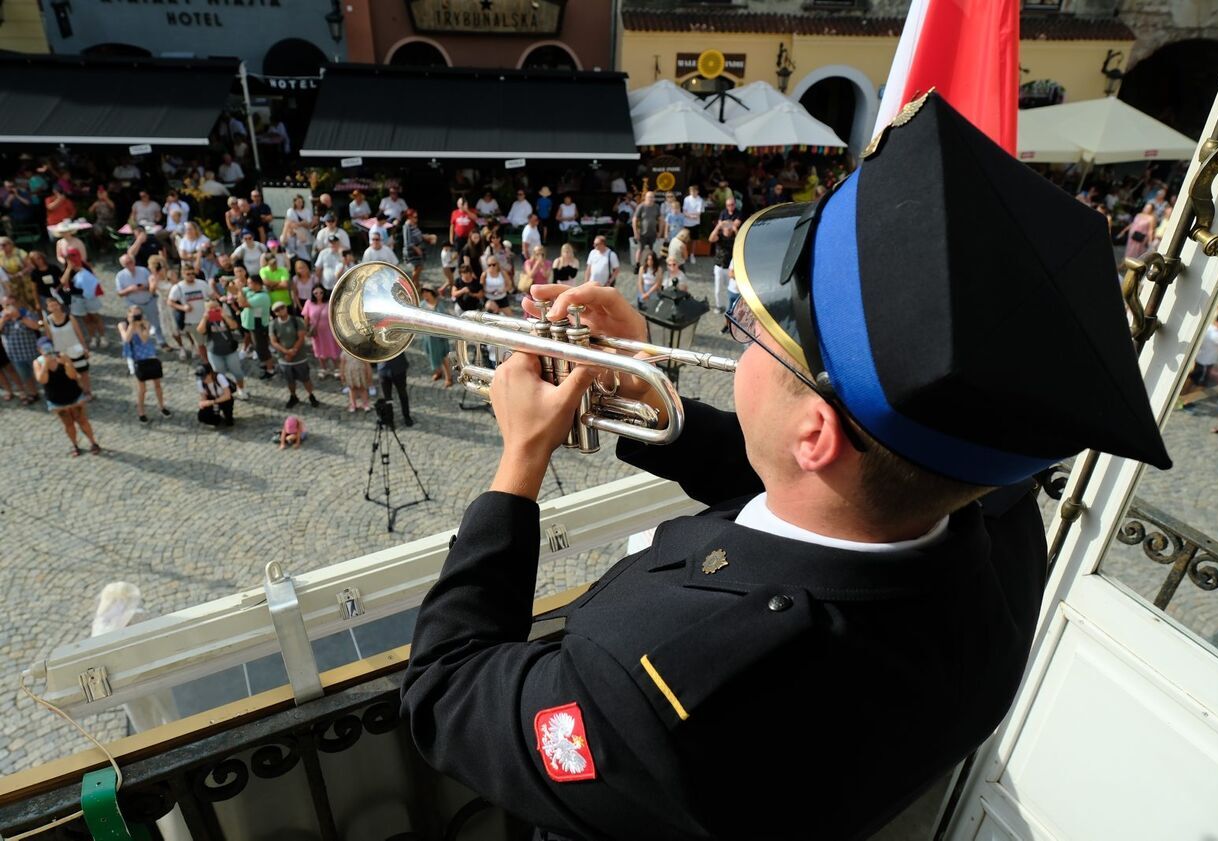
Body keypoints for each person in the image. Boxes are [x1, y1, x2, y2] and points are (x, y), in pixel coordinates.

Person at [396, 92, 1173, 841]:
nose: (738, 341)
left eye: (756, 332)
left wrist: (519, 464)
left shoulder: (654, 690)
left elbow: (443, 692)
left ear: (814, 433)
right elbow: (813, 490)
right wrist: (640, 391)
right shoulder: (998, 530)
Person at [34, 337, 100, 455]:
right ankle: (75, 445)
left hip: (74, 395)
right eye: (44, 348)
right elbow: (42, 380)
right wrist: (46, 364)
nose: (48, 350)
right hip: (56, 399)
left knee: (82, 420)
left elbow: (73, 376)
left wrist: (66, 363)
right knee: (68, 423)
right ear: (39, 350)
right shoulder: (38, 362)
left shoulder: (63, 357)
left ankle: (93, 443)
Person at [118, 304, 170, 422]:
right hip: (136, 358)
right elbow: (126, 339)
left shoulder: (145, 323)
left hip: (149, 355)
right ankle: (141, 411)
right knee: (142, 388)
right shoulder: (123, 325)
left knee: (157, 384)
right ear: (128, 314)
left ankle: (162, 406)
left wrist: (140, 326)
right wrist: (132, 325)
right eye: (133, 314)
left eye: (138, 314)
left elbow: (144, 339)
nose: (136, 316)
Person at [269, 301, 319, 408]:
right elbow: (274, 342)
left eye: (282, 307)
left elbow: (301, 337)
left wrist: (292, 352)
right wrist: (286, 352)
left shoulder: (296, 321)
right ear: (275, 313)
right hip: (284, 359)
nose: (281, 310)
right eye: (277, 310)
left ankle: (311, 395)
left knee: (306, 379)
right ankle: (293, 396)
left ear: (286, 308)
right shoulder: (273, 324)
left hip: (299, 357)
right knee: (289, 380)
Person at [198, 297, 249, 400]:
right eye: (210, 308)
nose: (214, 310)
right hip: (214, 352)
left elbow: (234, 326)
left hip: (230, 350)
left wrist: (224, 316)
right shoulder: (207, 320)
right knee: (220, 375)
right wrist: (204, 318)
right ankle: (225, 391)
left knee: (237, 372)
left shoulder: (225, 317)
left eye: (216, 307)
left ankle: (241, 388)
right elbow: (200, 331)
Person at [43, 296, 92, 400]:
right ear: (48, 308)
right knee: (69, 374)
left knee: (83, 372)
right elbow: (49, 338)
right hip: (61, 353)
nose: (54, 308)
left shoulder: (70, 318)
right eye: (51, 306)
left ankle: (87, 391)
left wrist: (85, 348)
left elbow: (79, 334)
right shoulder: (48, 321)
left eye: (55, 305)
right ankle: (77, 392)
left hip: (76, 349)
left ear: (59, 305)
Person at [0, 295, 42, 404]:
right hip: (16, 356)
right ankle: (34, 394)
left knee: (41, 374)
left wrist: (19, 317)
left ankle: (52, 392)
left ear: (17, 304)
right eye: (7, 305)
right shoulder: (2, 317)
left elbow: (36, 326)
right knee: (26, 377)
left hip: (32, 353)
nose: (10, 307)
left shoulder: (25, 313)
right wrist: (4, 320)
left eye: (12, 304)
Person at [62, 249, 107, 349]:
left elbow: (91, 279)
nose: (71, 259)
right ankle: (93, 337)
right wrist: (69, 269)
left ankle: (102, 337)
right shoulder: (66, 268)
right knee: (86, 320)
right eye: (68, 257)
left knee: (95, 317)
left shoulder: (85, 265)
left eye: (72, 256)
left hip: (89, 297)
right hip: (77, 298)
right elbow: (64, 282)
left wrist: (80, 269)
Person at [168, 264, 212, 365]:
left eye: (193, 273)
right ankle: (207, 362)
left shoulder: (202, 284)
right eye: (188, 274)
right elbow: (170, 302)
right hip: (192, 321)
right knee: (201, 344)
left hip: (207, 318)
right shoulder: (178, 288)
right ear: (183, 274)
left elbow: (212, 295)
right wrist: (182, 308)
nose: (191, 276)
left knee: (210, 341)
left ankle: (213, 359)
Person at [709, 196, 742, 313]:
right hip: (719, 265)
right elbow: (711, 239)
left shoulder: (734, 237)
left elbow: (740, 241)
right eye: (728, 205)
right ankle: (718, 306)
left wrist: (733, 228)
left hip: (729, 267)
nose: (727, 229)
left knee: (730, 289)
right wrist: (718, 226)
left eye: (732, 205)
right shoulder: (720, 236)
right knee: (718, 289)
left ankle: (730, 308)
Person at [416, 283, 452, 390]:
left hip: (439, 337)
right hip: (428, 337)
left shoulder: (439, 306)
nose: (425, 294)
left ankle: (448, 377)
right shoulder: (422, 305)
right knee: (431, 354)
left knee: (444, 357)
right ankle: (438, 371)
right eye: (423, 292)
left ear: (432, 293)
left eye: (427, 292)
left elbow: (444, 321)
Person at [240, 275, 275, 379]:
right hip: (253, 324)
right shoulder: (254, 291)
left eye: (250, 283)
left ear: (257, 284)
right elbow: (243, 290)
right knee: (258, 346)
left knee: (262, 347)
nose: (248, 285)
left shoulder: (262, 296)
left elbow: (243, 303)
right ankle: (265, 363)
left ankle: (270, 369)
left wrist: (238, 290)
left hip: (259, 326)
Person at [302, 284, 339, 380]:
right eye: (316, 293)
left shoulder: (329, 302)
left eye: (321, 292)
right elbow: (306, 318)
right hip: (317, 332)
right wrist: (306, 330)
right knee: (319, 350)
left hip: (330, 332)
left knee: (333, 349)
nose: (318, 295)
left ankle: (336, 368)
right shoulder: (309, 303)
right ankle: (324, 368)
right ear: (312, 294)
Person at [1190, 311, 1218, 387]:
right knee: (1199, 382)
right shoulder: (1215, 334)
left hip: (1201, 357)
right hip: (1206, 362)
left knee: (1195, 376)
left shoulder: (1210, 327)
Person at [194, 363, 235, 428]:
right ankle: (217, 418)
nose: (203, 380)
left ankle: (227, 416)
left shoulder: (219, 377)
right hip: (212, 399)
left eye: (204, 377)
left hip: (224, 399)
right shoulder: (200, 382)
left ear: (210, 374)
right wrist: (202, 403)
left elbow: (227, 395)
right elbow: (203, 397)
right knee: (202, 417)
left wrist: (213, 402)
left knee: (229, 422)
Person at [632, 190, 662, 267]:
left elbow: (661, 219)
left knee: (652, 250)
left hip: (653, 233)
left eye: (652, 197)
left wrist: (660, 232)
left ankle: (651, 264)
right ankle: (637, 265)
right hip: (642, 233)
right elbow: (634, 219)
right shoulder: (641, 206)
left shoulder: (656, 207)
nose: (650, 199)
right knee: (640, 249)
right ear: (645, 198)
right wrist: (635, 233)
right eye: (649, 197)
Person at [341, 346, 372, 412]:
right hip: (350, 374)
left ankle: (365, 404)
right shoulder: (344, 353)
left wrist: (369, 374)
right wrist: (342, 375)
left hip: (361, 373)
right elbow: (342, 364)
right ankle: (353, 404)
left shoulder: (361, 352)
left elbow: (367, 364)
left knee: (363, 389)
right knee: (352, 389)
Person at [682, 184, 705, 264]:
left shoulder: (700, 200)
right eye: (691, 191)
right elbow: (684, 211)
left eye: (694, 191)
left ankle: (692, 255)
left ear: (697, 192)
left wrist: (690, 216)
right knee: (685, 240)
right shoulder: (686, 199)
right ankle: (684, 255)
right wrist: (691, 216)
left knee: (694, 240)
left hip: (695, 224)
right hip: (686, 223)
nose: (692, 192)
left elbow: (699, 213)